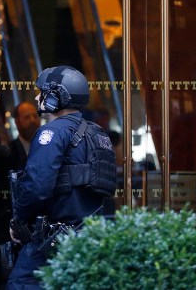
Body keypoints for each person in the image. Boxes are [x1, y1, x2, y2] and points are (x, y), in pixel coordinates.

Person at [7, 66, 116, 290]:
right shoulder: (98, 134)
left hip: (53, 243)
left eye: (43, 93)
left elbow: (37, 186)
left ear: (58, 97)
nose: (38, 97)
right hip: (92, 240)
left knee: (21, 283)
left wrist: (18, 222)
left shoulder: (53, 132)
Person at [9, 101, 41, 171]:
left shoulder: (49, 146)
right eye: (27, 117)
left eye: (35, 116)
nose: (33, 120)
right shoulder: (9, 152)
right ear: (17, 122)